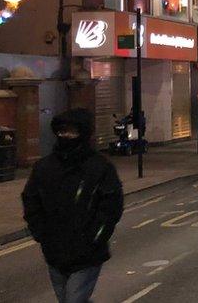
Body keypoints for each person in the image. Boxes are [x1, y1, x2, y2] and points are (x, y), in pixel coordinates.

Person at [22, 109, 124, 303]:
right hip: (55, 252)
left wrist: (95, 237)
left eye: (72, 131)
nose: (66, 136)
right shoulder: (44, 167)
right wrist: (41, 233)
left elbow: (111, 207)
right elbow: (31, 200)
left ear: (83, 133)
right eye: (62, 131)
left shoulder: (100, 167)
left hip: (87, 254)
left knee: (73, 300)